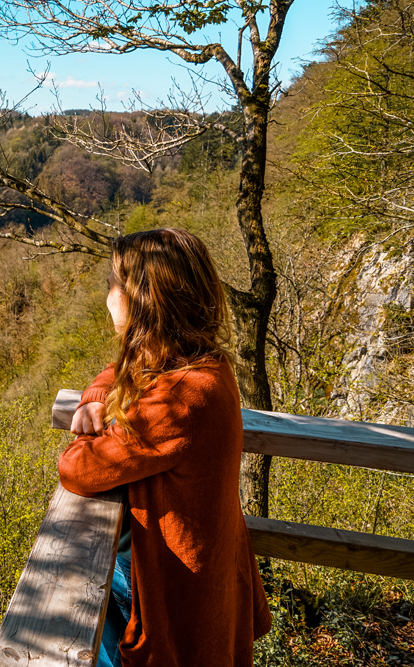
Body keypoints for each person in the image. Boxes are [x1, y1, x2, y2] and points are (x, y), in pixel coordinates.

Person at [59, 228, 272, 667]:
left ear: (143, 298)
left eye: (112, 286)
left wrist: (87, 433)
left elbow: (77, 468)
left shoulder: (180, 400)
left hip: (158, 586)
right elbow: (118, 369)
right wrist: (96, 397)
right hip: (185, 573)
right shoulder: (204, 365)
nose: (107, 298)